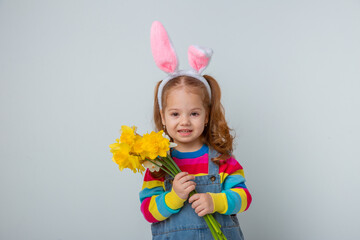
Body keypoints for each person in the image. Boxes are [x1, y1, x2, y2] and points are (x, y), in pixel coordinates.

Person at [139, 21, 252, 239]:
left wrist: (215, 201)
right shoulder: (157, 164)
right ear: (163, 117)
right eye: (175, 114)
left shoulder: (221, 159)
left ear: (207, 116)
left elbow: (244, 198)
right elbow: (148, 211)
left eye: (194, 114)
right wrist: (173, 196)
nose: (185, 122)